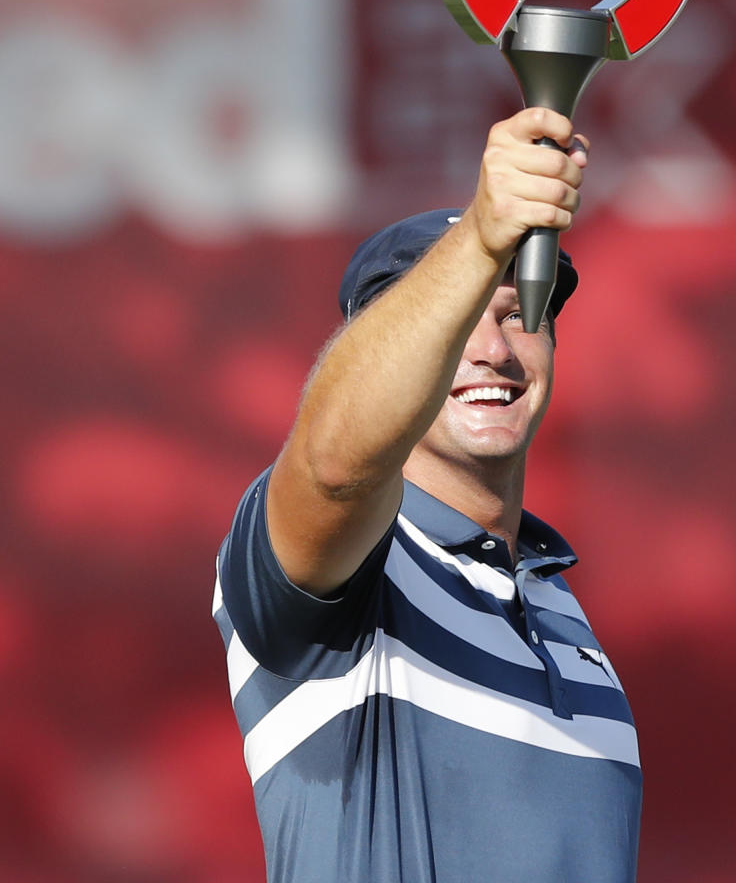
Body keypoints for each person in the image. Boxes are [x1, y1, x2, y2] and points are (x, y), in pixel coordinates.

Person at [213, 107, 642, 883]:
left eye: (521, 315)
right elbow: (335, 463)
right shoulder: (349, 569)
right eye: (455, 326)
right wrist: (481, 235)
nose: (493, 351)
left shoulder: (560, 609)